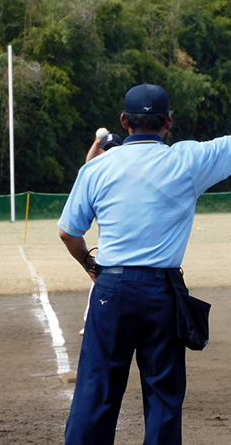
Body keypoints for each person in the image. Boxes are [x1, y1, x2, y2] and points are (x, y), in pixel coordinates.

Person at [58, 57, 231, 445]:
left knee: (96, 392)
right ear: (168, 122)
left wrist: (91, 266)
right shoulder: (187, 159)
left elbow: (69, 233)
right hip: (162, 294)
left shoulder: (97, 168)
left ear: (124, 121)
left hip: (111, 290)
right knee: (163, 398)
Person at [79, 129, 123, 336]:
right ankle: (91, 320)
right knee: (101, 283)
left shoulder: (122, 169)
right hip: (110, 245)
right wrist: (96, 142)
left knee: (104, 281)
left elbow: (67, 234)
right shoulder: (99, 171)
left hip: (117, 247)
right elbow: (88, 165)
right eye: (106, 148)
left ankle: (95, 322)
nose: (109, 152)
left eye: (114, 148)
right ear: (101, 152)